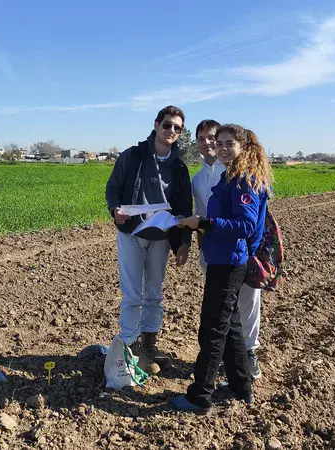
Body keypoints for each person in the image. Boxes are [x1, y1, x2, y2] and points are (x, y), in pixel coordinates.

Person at [170, 124, 273, 414]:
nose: (223, 148)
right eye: (221, 142)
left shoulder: (243, 179)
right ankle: (242, 387)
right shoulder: (233, 175)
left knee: (213, 329)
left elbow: (246, 225)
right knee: (231, 327)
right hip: (221, 257)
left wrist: (202, 223)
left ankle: (199, 396)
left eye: (230, 144)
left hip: (229, 260)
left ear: (244, 147)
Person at [105, 105, 193, 374]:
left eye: (177, 128)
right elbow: (113, 187)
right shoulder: (133, 156)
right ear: (156, 125)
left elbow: (183, 208)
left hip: (160, 238)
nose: (171, 131)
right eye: (167, 125)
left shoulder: (179, 167)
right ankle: (130, 347)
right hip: (132, 234)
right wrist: (115, 209)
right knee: (132, 295)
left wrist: (182, 243)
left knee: (154, 293)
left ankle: (149, 345)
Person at [191, 119, 263, 379]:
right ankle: (235, 364)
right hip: (214, 251)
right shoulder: (200, 178)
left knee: (247, 300)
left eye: (216, 139)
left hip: (240, 251)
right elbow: (201, 214)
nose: (209, 144)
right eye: (204, 139)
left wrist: (207, 223)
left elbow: (247, 219)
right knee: (227, 309)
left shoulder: (243, 174)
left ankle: (249, 353)